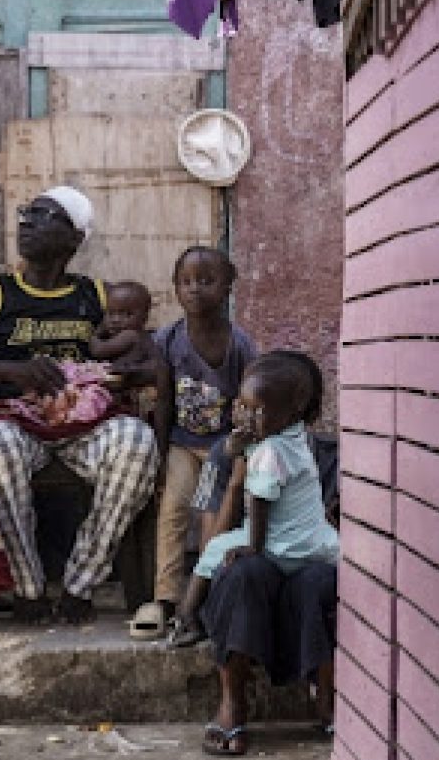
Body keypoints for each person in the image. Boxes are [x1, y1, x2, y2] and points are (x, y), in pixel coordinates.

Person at [0, 187, 159, 624]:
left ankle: (80, 585)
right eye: (26, 214)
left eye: (44, 215)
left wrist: (121, 372)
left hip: (84, 423)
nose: (27, 222)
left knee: (138, 442)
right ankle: (28, 589)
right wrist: (13, 372)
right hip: (15, 421)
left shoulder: (98, 297)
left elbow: (140, 352)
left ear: (73, 240)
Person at [129, 246, 256, 640]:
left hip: (224, 446)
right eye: (186, 282)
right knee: (173, 510)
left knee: (216, 518)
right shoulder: (168, 339)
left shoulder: (240, 344)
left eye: (207, 281)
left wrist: (241, 454)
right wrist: (161, 453)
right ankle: (166, 597)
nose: (195, 289)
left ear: (228, 286)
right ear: (175, 288)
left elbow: (249, 406)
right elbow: (164, 400)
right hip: (183, 444)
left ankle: (209, 593)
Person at [168, 350, 336, 649]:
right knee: (241, 571)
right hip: (295, 553)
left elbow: (260, 505)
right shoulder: (239, 448)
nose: (245, 415)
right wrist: (236, 475)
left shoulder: (293, 452)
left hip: (283, 551)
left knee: (229, 556)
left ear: (293, 410)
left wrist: (253, 545)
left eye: (256, 409)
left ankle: (186, 615)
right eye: (242, 405)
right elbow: (213, 540)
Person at [88, 279, 157, 373]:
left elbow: (98, 351)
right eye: (111, 313)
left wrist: (96, 334)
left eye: (128, 314)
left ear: (144, 318)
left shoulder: (130, 335)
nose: (115, 320)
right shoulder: (139, 335)